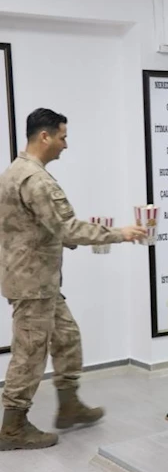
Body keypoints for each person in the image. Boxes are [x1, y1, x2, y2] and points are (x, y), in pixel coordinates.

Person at [0, 108, 147, 451]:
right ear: (45, 136)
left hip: (37, 278)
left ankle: (68, 405)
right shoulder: (34, 179)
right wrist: (120, 233)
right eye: (63, 137)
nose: (66, 145)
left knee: (66, 337)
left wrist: (64, 238)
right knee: (30, 353)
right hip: (33, 282)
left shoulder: (14, 172)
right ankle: (12, 427)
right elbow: (67, 226)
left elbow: (33, 226)